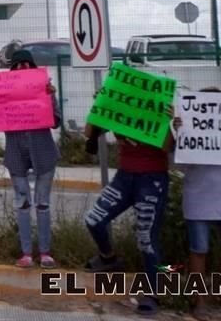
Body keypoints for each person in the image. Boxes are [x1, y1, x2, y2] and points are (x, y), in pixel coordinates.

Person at [0, 49, 60, 268]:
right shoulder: (6, 92)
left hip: (43, 153)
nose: (22, 69)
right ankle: (26, 253)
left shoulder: (44, 90)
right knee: (22, 203)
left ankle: (45, 252)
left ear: (33, 67)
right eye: (17, 65)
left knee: (43, 204)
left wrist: (49, 96)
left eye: (26, 65)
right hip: (16, 154)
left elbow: (56, 121)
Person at [83, 99, 175, 316]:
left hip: (152, 179)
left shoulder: (159, 112)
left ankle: (153, 293)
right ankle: (108, 258)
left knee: (146, 237)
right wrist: (98, 106)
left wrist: (168, 122)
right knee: (93, 220)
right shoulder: (120, 108)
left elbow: (167, 148)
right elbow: (89, 132)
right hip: (124, 177)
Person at [171, 87, 221, 321]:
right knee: (198, 251)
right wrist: (179, 134)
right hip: (198, 199)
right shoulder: (185, 131)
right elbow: (177, 165)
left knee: (200, 251)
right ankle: (199, 300)